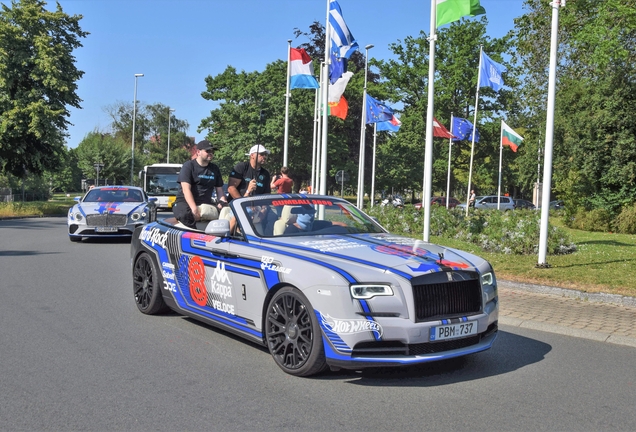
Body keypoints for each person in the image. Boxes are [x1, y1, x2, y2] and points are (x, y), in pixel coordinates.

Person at [172, 140, 227, 229]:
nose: (211, 153)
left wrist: (223, 203)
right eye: (208, 151)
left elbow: (220, 190)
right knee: (186, 215)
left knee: (228, 215)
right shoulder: (189, 166)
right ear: (198, 152)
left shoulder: (214, 168)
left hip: (206, 203)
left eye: (212, 151)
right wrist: (194, 209)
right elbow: (186, 190)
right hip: (185, 202)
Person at [227, 144, 272, 234]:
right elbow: (231, 188)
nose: (264, 157)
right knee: (245, 211)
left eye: (265, 155)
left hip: (257, 207)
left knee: (273, 215)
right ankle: (228, 235)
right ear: (252, 155)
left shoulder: (265, 174)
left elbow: (266, 195)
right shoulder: (241, 167)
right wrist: (243, 203)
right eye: (261, 154)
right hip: (238, 204)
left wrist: (264, 209)